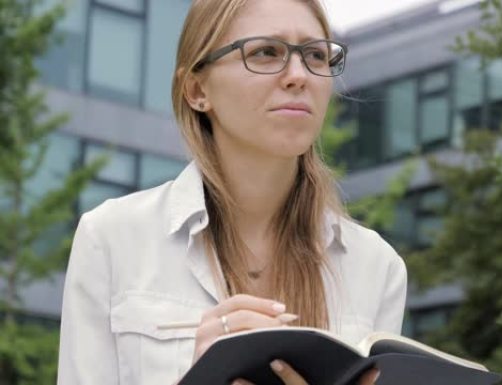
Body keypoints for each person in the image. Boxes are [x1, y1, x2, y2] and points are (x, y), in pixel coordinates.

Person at [57, 0, 407, 384]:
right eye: (265, 52)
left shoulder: (376, 266)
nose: (298, 75)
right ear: (196, 89)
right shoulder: (112, 238)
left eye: (315, 55)